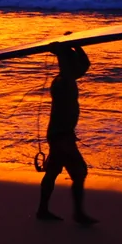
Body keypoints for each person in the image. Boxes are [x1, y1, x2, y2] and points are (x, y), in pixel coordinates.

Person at [36, 44, 98, 225]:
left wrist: (75, 45)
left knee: (53, 171)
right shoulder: (64, 81)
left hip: (60, 133)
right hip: (61, 135)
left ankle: (43, 210)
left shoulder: (65, 78)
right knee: (79, 172)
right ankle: (78, 214)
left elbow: (86, 64)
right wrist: (62, 51)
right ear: (69, 65)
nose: (82, 69)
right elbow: (75, 66)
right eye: (75, 65)